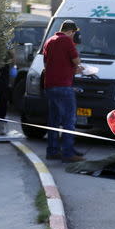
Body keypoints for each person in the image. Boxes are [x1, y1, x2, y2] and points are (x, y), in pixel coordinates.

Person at [43, 20, 85, 163]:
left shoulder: (49, 41)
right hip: (63, 86)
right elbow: (76, 60)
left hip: (50, 86)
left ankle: (53, 151)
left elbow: (48, 63)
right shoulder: (66, 41)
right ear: (71, 32)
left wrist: (71, 69)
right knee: (69, 120)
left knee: (54, 120)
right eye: (74, 33)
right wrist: (79, 67)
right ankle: (68, 153)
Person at [0, 44, 15, 130]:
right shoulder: (2, 38)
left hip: (1, 69)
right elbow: (12, 54)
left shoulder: (4, 39)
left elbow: (12, 54)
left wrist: (12, 66)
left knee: (2, 95)